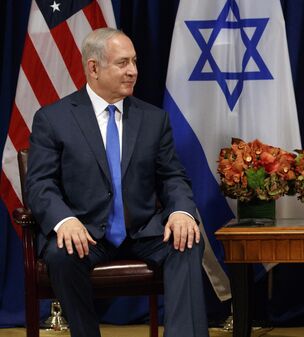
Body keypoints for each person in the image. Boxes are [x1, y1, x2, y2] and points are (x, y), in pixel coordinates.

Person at [26, 28, 208, 337]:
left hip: (142, 231)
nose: (133, 71)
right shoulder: (53, 119)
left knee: (187, 240)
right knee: (61, 253)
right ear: (94, 68)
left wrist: (180, 211)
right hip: (85, 231)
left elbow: (173, 176)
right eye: (123, 63)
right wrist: (64, 220)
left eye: (134, 62)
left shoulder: (154, 120)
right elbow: (39, 184)